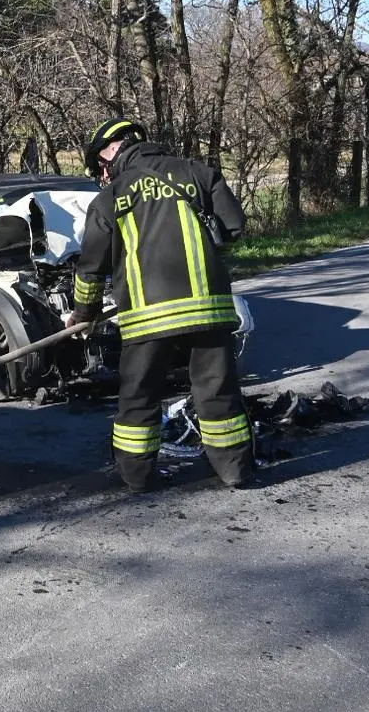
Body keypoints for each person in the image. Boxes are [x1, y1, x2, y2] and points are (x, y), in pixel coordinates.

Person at [66, 118, 256, 492]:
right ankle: (234, 470)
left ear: (109, 153)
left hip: (146, 318)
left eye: (99, 168)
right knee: (218, 393)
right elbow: (232, 227)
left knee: (139, 398)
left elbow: (90, 269)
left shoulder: (110, 198)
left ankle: (137, 476)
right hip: (210, 311)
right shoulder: (199, 173)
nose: (102, 175)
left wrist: (83, 315)